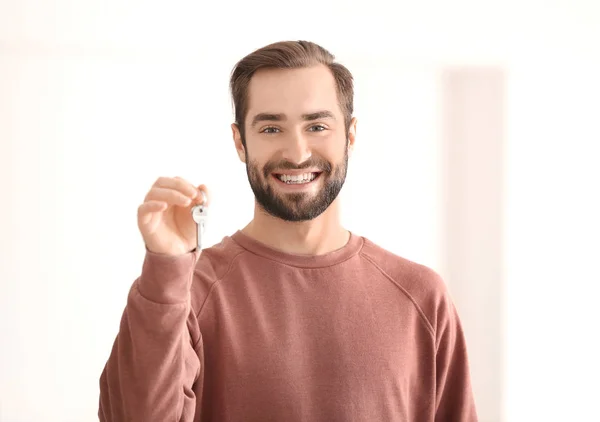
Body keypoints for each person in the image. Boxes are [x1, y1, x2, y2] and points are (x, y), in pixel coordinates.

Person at [98, 40, 478, 422]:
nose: (296, 153)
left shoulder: (421, 297)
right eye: (271, 128)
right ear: (239, 142)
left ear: (350, 135)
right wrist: (166, 268)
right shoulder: (189, 292)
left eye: (316, 125)